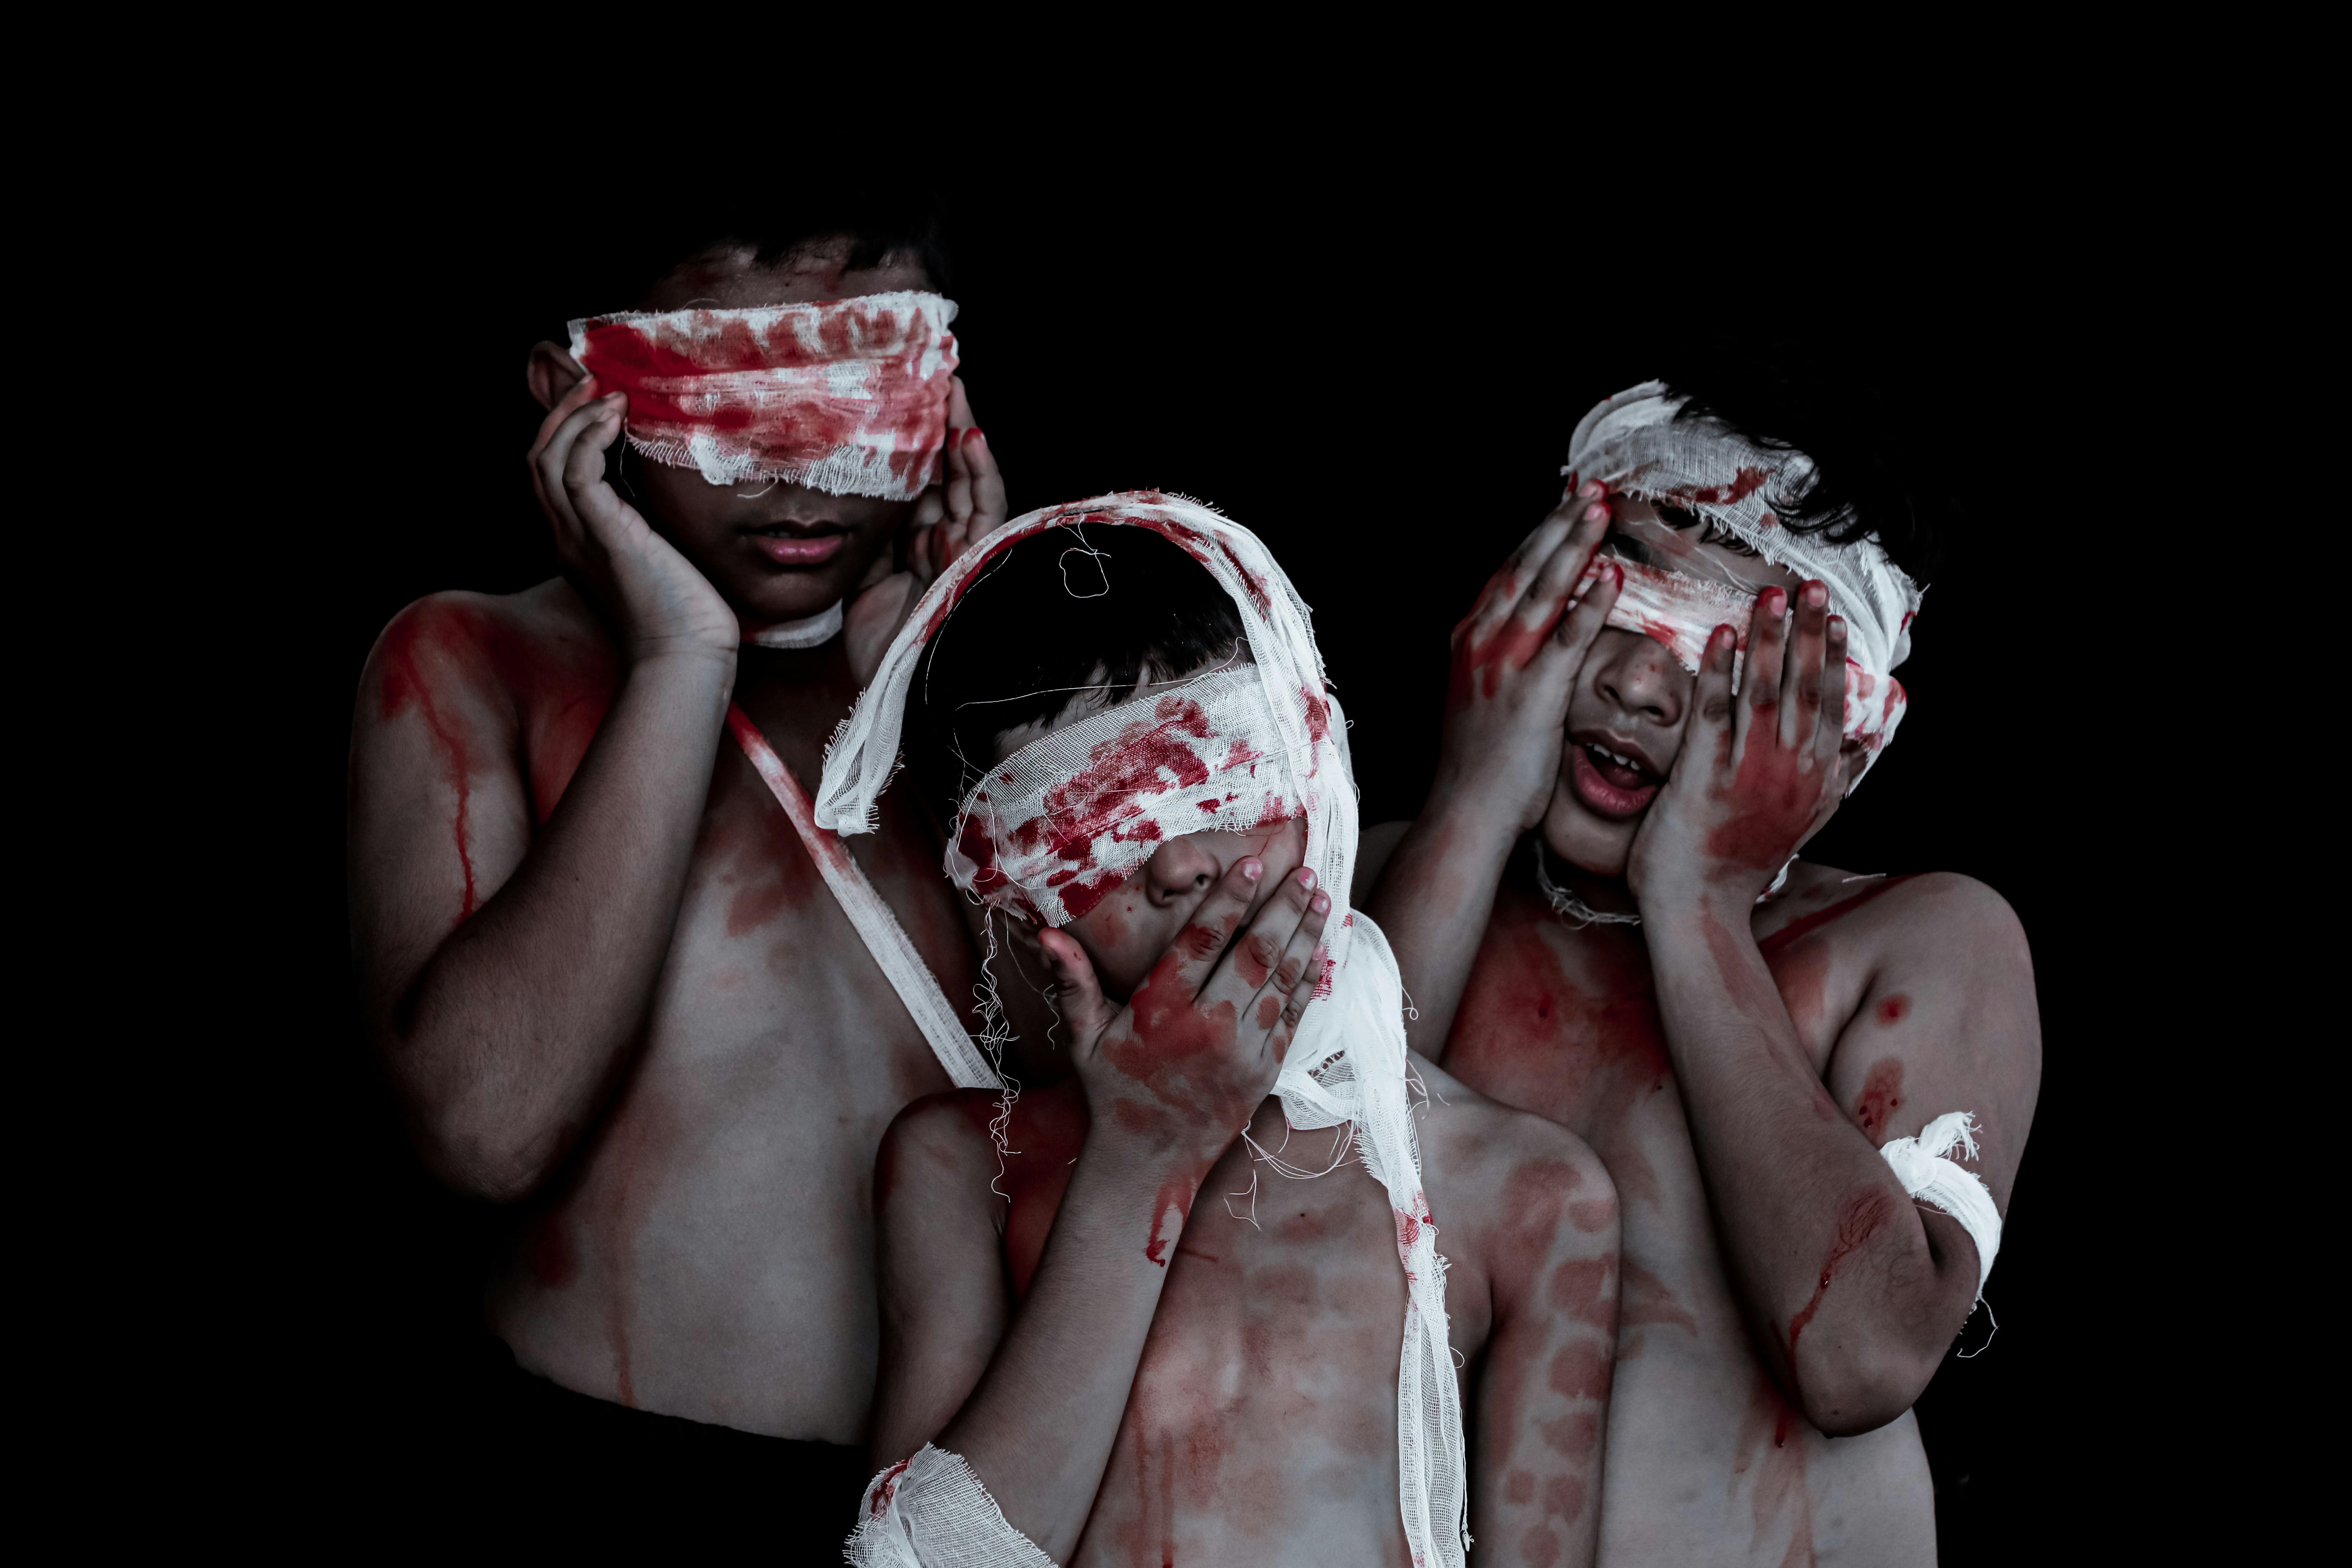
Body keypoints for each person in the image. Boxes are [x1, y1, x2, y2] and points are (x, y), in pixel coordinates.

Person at [343, 204, 1007, 1535]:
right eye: (725, 404)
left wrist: (953, 688)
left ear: (943, 391)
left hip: (987, 1499)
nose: (800, 471)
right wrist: (677, 661)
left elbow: (1123, 1082)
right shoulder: (475, 663)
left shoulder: (992, 678)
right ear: (570, 395)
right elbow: (486, 1130)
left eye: (859, 395)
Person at [833, 496, 1624, 1568]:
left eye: (1215, 772)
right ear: (1016, 895)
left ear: (1313, 752)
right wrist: (1139, 1164)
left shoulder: (1529, 1196)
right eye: (1088, 827)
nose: (1178, 863)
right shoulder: (966, 1168)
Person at [1364, 366, 2041, 1564]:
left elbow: (1861, 1358)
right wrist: (1469, 807)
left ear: (1848, 737)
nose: (1637, 685)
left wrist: (1702, 905)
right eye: (1617, 603)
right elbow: (1264, 1250)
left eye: (1729, 659)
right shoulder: (1380, 888)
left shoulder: (1923, 940)